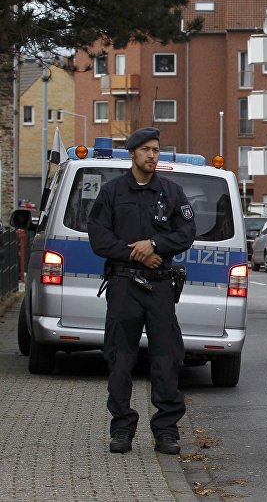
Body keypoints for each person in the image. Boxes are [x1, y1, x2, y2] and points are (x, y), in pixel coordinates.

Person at [87, 127, 196, 455]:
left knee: (166, 359)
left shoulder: (172, 192)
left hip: (160, 287)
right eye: (146, 149)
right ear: (132, 153)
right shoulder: (112, 192)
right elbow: (98, 236)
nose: (152, 155)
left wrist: (156, 244)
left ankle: (166, 431)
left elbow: (188, 232)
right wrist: (134, 252)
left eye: (156, 150)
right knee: (120, 359)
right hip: (123, 285)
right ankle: (122, 429)